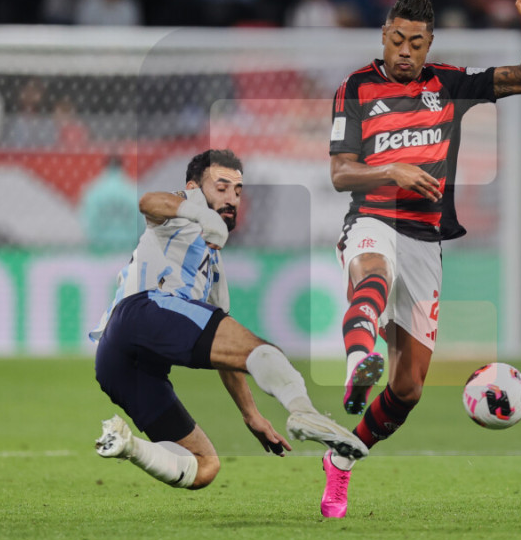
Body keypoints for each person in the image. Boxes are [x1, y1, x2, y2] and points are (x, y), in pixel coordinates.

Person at [325, 0, 521, 517]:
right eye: (397, 39)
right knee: (373, 274)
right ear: (384, 34)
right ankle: (359, 361)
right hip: (372, 218)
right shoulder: (355, 87)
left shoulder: (449, 84)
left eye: (416, 43)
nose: (405, 51)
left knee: (408, 389)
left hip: (426, 240)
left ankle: (341, 459)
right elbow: (340, 173)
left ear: (429, 44)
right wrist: (392, 170)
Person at [91, 149, 367, 491]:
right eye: (221, 187)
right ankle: (304, 412)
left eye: (237, 191)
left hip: (118, 362)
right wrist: (200, 214)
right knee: (266, 351)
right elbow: (148, 202)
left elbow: (227, 352)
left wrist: (251, 414)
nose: (232, 198)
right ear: (194, 188)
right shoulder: (178, 214)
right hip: (141, 311)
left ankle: (125, 444)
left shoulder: (213, 269)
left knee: (204, 467)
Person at [78, 155, 143, 253]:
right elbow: (142, 222)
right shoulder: (133, 190)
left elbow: (86, 221)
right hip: (128, 248)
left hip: (101, 249)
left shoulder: (93, 191)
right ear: (122, 166)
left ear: (104, 166)